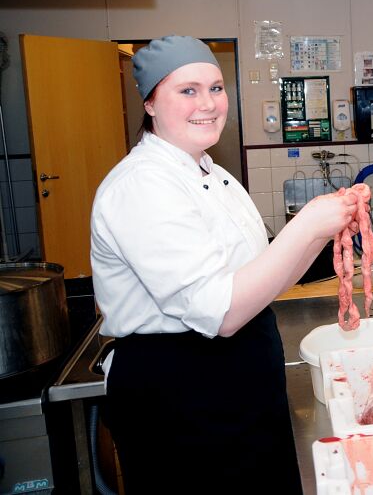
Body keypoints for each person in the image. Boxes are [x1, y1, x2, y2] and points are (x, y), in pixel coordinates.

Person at [91, 36, 359, 493]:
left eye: (216, 88)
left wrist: (319, 231)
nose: (209, 104)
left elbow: (266, 279)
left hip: (242, 377)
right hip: (180, 391)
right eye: (188, 90)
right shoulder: (142, 186)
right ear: (151, 102)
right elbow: (222, 312)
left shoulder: (213, 173)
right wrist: (305, 226)